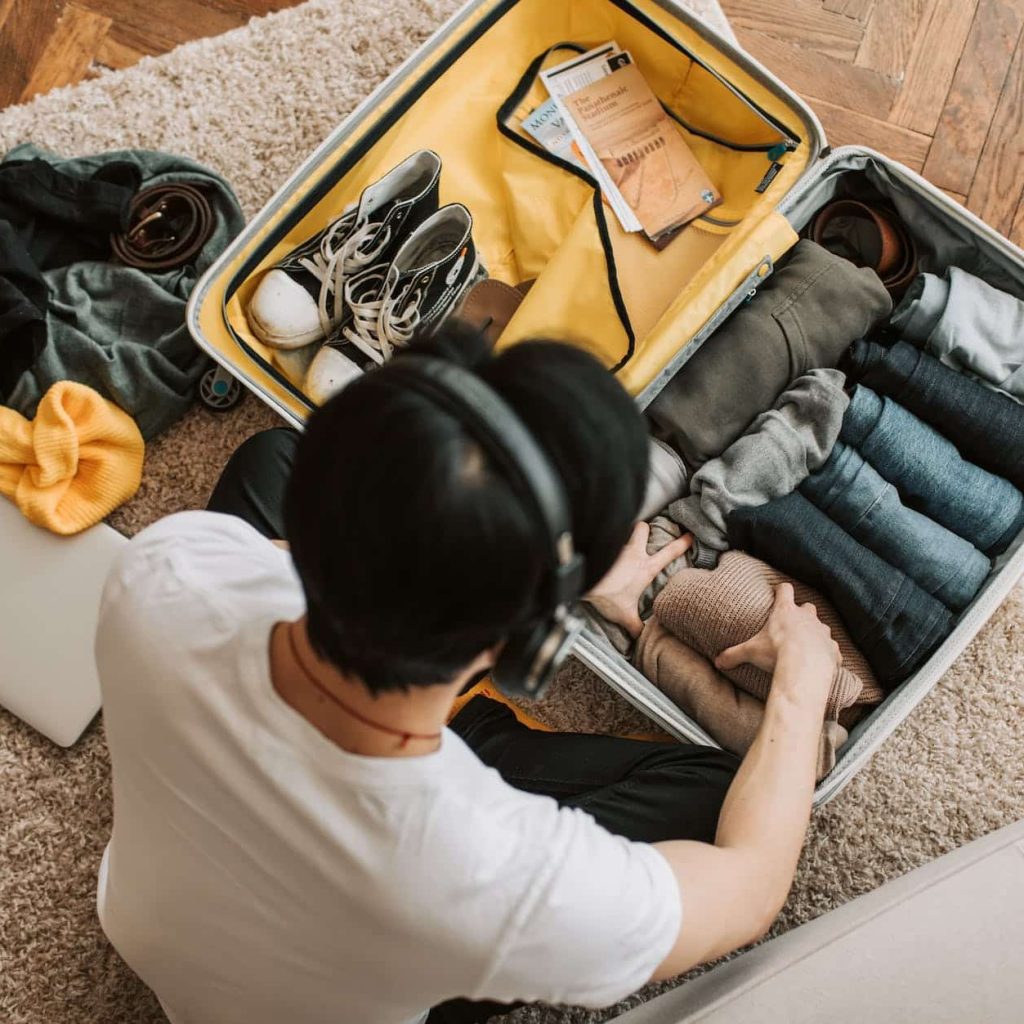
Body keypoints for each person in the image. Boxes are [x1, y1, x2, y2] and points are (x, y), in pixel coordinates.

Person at [95, 325, 842, 1024]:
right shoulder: (496, 874)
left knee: (268, 460)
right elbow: (750, 889)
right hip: (373, 948)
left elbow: (299, 558)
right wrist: (802, 682)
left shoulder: (169, 565)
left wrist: (521, 569)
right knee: (721, 794)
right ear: (533, 645)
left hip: (160, 925)